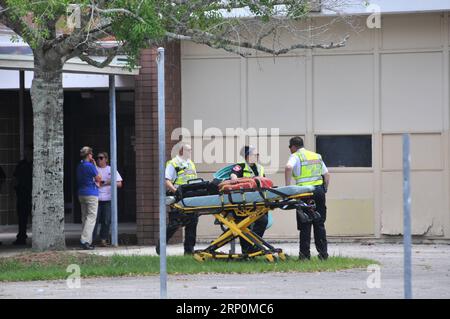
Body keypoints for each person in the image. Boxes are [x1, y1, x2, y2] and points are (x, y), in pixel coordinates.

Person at [285, 136, 330, 260]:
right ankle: (323, 255)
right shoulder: (316, 156)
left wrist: (288, 188)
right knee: (319, 223)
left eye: (290, 147)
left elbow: (288, 167)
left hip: (303, 193)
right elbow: (327, 175)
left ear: (294, 146)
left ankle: (304, 256)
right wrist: (324, 189)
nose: (290, 149)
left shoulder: (296, 155)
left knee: (305, 223)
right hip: (318, 191)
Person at [157, 143, 198, 255]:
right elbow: (167, 180)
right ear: (181, 151)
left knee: (192, 222)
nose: (190, 152)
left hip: (190, 196)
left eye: (190, 150)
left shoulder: (191, 164)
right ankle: (161, 245)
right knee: (175, 223)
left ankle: (189, 251)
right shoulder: (173, 163)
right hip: (178, 196)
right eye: (188, 150)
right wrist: (176, 191)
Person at [230, 145, 268, 255]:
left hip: (258, 202)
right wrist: (236, 180)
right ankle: (247, 251)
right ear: (247, 156)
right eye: (255, 154)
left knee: (263, 221)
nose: (257, 156)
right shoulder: (240, 166)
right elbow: (233, 176)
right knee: (244, 225)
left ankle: (252, 246)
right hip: (243, 203)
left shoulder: (260, 168)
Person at [92, 152, 123, 247]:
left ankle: (103, 239)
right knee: (94, 221)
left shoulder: (111, 169)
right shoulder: (94, 169)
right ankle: (91, 240)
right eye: (97, 158)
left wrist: (107, 182)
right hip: (96, 199)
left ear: (106, 159)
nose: (99, 160)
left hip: (107, 199)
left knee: (106, 220)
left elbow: (119, 184)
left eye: (101, 158)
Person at [77, 146, 102, 250]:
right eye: (92, 154)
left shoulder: (79, 165)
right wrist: (95, 164)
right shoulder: (90, 166)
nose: (93, 156)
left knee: (85, 218)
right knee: (91, 218)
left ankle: (87, 241)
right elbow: (99, 178)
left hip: (81, 193)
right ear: (89, 155)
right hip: (91, 193)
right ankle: (85, 241)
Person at [12, 145, 33, 245]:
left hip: (32, 194)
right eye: (26, 151)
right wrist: (16, 188)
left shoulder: (35, 164)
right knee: (22, 217)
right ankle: (21, 237)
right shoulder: (21, 164)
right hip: (22, 194)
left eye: (29, 151)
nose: (27, 153)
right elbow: (15, 177)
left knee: (31, 216)